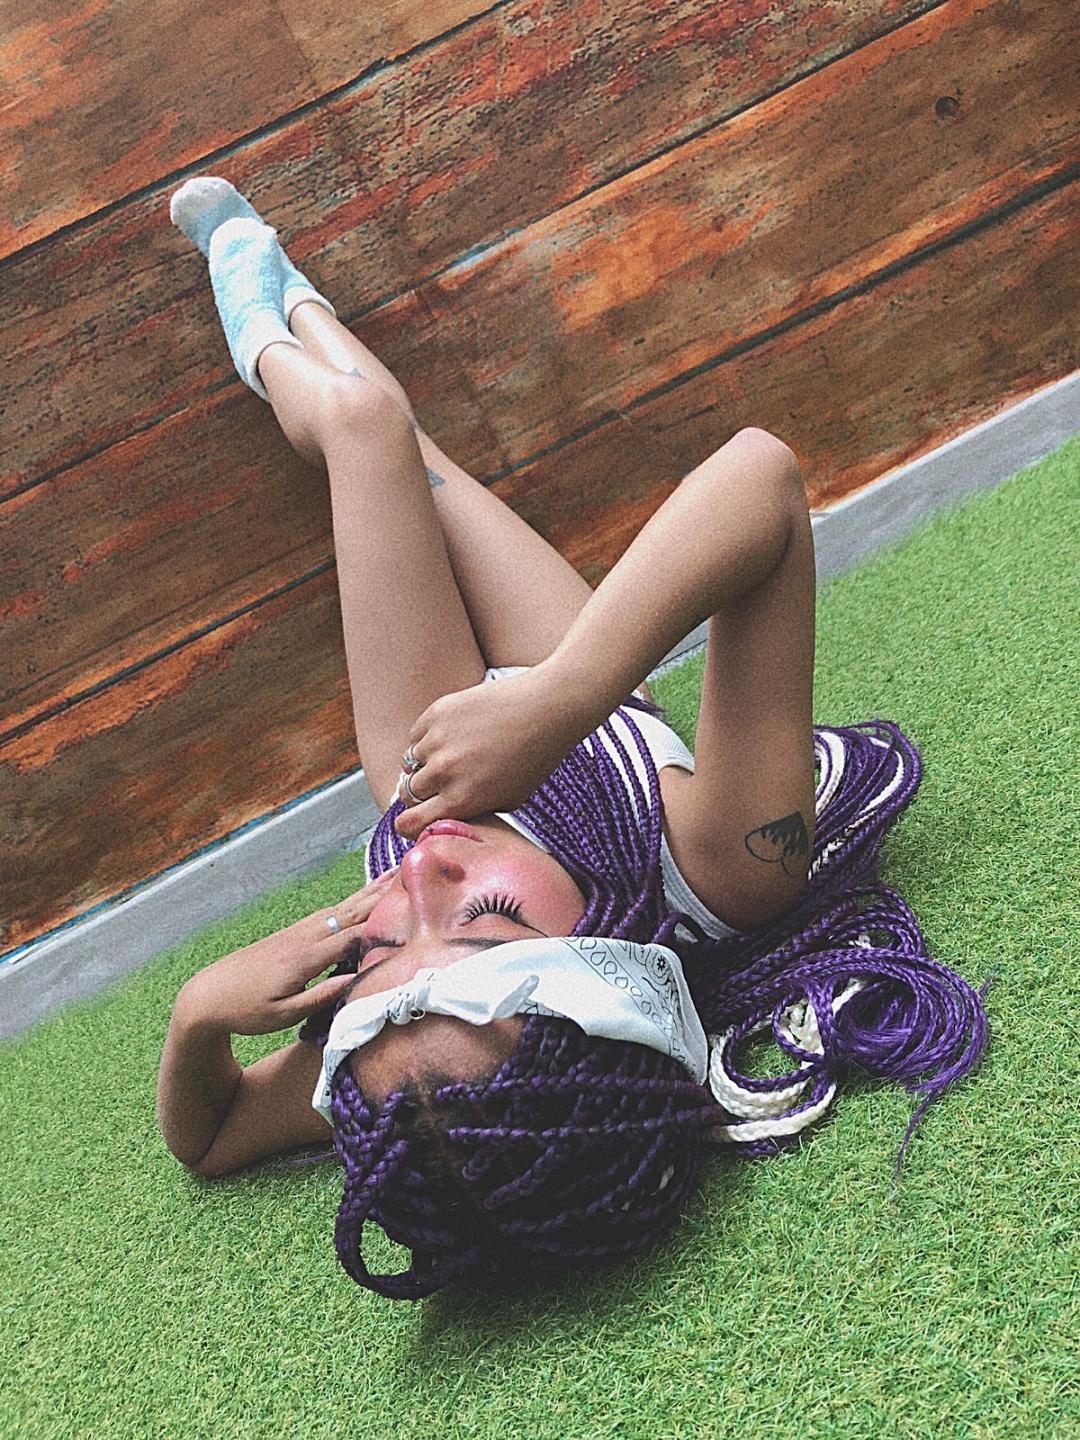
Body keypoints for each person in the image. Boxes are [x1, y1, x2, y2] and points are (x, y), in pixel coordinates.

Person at [157, 179, 990, 1300]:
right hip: (581, 714)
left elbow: (210, 1137)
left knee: (366, 433)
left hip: (424, 754)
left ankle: (261, 314)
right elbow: (761, 479)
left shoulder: (414, 1064)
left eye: (377, 954)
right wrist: (560, 702)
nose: (424, 875)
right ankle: (286, 296)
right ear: (614, 954)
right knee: (402, 443)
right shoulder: (727, 873)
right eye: (489, 921)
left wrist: (198, 1015)